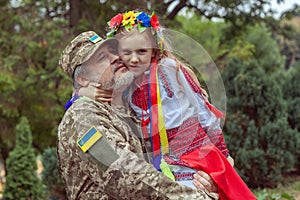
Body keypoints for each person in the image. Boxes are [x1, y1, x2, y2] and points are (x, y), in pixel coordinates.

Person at [79, 11, 256, 200]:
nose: (134, 59)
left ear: (153, 49)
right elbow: (94, 91)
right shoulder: (125, 81)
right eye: (126, 52)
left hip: (193, 149)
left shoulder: (169, 69)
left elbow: (202, 108)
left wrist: (222, 152)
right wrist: (83, 92)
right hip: (160, 158)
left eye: (141, 51)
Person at [57, 30, 218, 199]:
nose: (115, 58)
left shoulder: (134, 110)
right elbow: (123, 173)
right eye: (102, 58)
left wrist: (203, 180)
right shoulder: (83, 114)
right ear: (83, 79)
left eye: (113, 51)